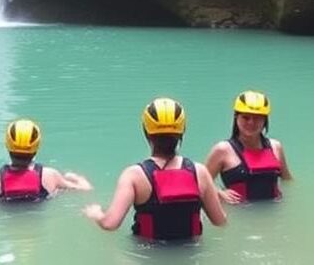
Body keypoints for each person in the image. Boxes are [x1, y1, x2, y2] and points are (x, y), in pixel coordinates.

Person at [83, 98, 226, 241]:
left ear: (146, 131)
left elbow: (110, 223)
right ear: (182, 130)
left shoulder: (134, 175)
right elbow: (220, 221)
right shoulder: (199, 172)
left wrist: (96, 214)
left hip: (146, 255)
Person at [0, 119, 92, 200]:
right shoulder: (49, 175)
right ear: (37, 146)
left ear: (7, 144)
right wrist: (77, 177)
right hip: (38, 223)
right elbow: (86, 189)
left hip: (4, 225)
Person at [204, 90, 292, 203]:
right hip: (239, 213)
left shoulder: (276, 146)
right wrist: (219, 192)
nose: (251, 123)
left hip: (275, 213)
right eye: (246, 117)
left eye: (257, 118)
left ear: (265, 120)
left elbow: (287, 181)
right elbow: (201, 182)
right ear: (236, 118)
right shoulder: (222, 150)